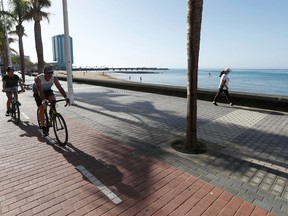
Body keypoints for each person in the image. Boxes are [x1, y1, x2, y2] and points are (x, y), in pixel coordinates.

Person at [33, 65, 70, 136]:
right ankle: (43, 127)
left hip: (47, 91)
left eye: (51, 73)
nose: (50, 75)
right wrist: (43, 100)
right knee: (42, 108)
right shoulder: (38, 78)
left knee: (53, 100)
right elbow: (40, 91)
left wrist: (65, 97)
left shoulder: (54, 78)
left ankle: (52, 112)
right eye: (48, 73)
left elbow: (60, 87)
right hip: (38, 92)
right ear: (44, 73)